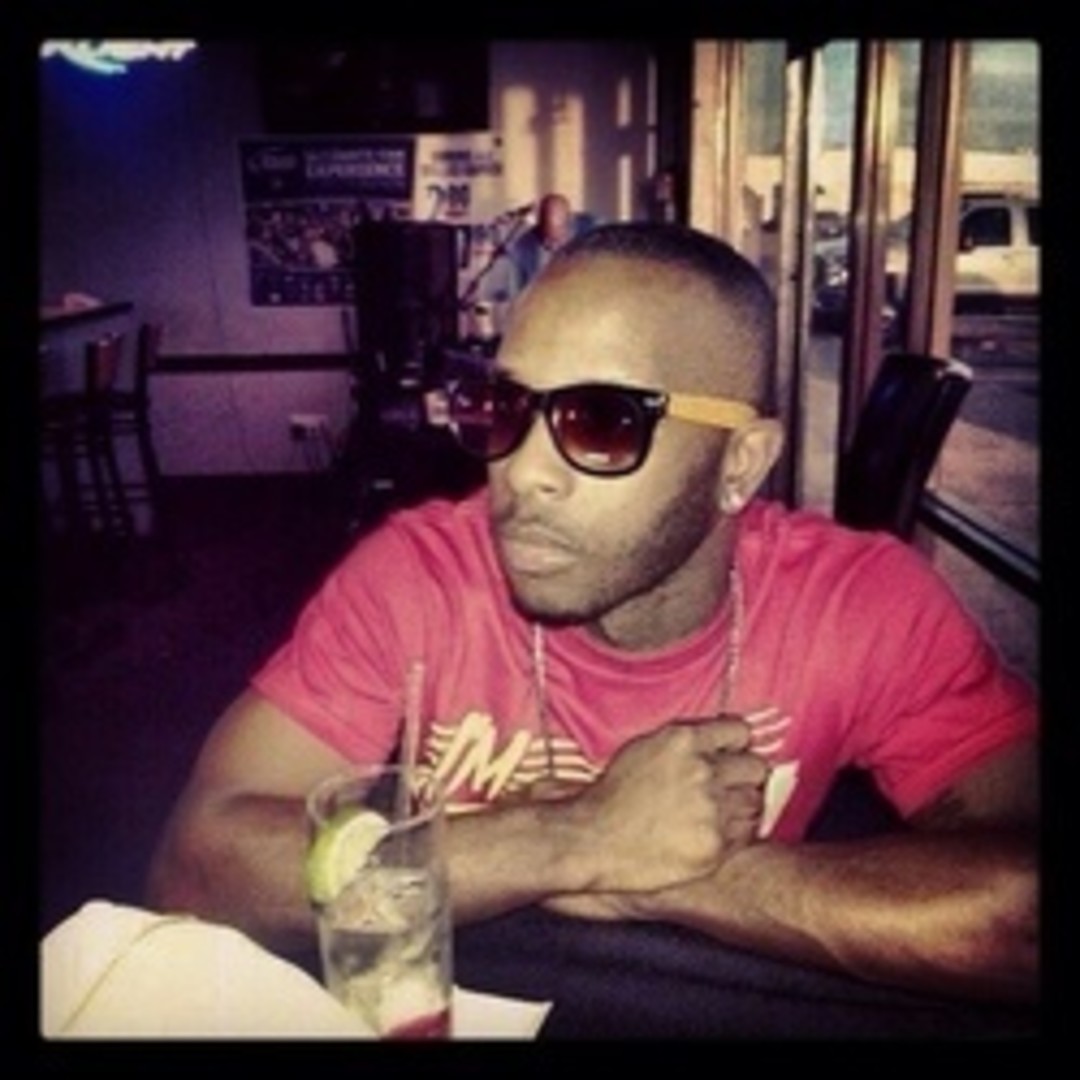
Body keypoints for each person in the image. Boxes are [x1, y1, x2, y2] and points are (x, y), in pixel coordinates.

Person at [146, 222, 1038, 1007]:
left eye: (603, 421)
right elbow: (197, 862)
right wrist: (577, 835)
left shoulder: (860, 604)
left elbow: (1023, 911)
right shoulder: (417, 577)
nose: (521, 472)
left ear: (740, 463)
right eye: (501, 406)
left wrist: (663, 877)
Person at [506, 193, 596, 296]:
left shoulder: (593, 232)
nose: (553, 248)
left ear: (570, 221)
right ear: (539, 225)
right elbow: (518, 296)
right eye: (548, 240)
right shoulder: (522, 249)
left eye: (558, 240)